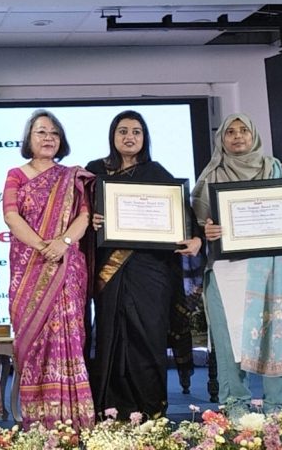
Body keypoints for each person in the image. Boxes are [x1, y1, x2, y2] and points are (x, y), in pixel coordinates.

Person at [189, 113, 282, 417]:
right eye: (230, 132)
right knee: (229, 338)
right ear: (221, 139)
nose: (237, 136)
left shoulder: (280, 170)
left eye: (243, 130)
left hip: (275, 264)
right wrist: (206, 231)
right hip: (228, 268)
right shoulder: (211, 176)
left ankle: (277, 406)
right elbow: (198, 225)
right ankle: (235, 406)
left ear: (254, 135)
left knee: (278, 333)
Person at [87, 110, 202, 418]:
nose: (129, 137)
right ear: (112, 135)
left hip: (152, 271)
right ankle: (111, 409)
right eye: (123, 131)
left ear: (144, 137)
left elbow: (185, 218)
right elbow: (77, 214)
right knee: (111, 336)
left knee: (149, 336)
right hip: (111, 272)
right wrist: (91, 221)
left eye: (136, 131)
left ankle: (151, 410)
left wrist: (196, 238)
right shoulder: (95, 171)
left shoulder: (157, 173)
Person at [3, 109, 94, 430]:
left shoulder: (72, 176)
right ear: (29, 138)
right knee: (35, 339)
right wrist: (44, 246)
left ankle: (74, 418)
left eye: (54, 133)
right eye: (41, 132)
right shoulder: (16, 174)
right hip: (30, 266)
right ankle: (38, 421)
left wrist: (63, 242)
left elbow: (84, 216)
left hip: (66, 267)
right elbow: (11, 216)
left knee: (68, 338)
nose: (48, 138)